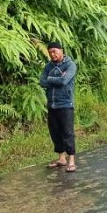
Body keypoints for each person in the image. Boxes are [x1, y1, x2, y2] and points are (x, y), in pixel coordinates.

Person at [40, 42, 78, 173]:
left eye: (55, 51)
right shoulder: (48, 67)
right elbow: (42, 82)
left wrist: (50, 80)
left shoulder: (70, 65)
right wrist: (55, 78)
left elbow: (64, 81)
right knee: (55, 132)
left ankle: (71, 160)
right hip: (52, 105)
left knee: (68, 133)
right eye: (50, 52)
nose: (52, 54)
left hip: (66, 104)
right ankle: (61, 159)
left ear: (62, 51)